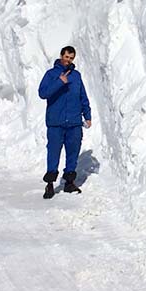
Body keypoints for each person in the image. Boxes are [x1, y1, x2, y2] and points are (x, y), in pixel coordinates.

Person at [37, 45, 92, 198]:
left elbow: (83, 97)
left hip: (74, 122)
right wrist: (59, 82)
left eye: (71, 58)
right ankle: (49, 184)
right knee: (53, 152)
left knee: (73, 153)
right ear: (61, 56)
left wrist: (87, 115)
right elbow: (43, 93)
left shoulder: (76, 76)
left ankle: (69, 182)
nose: (68, 60)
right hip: (56, 122)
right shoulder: (50, 74)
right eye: (66, 57)